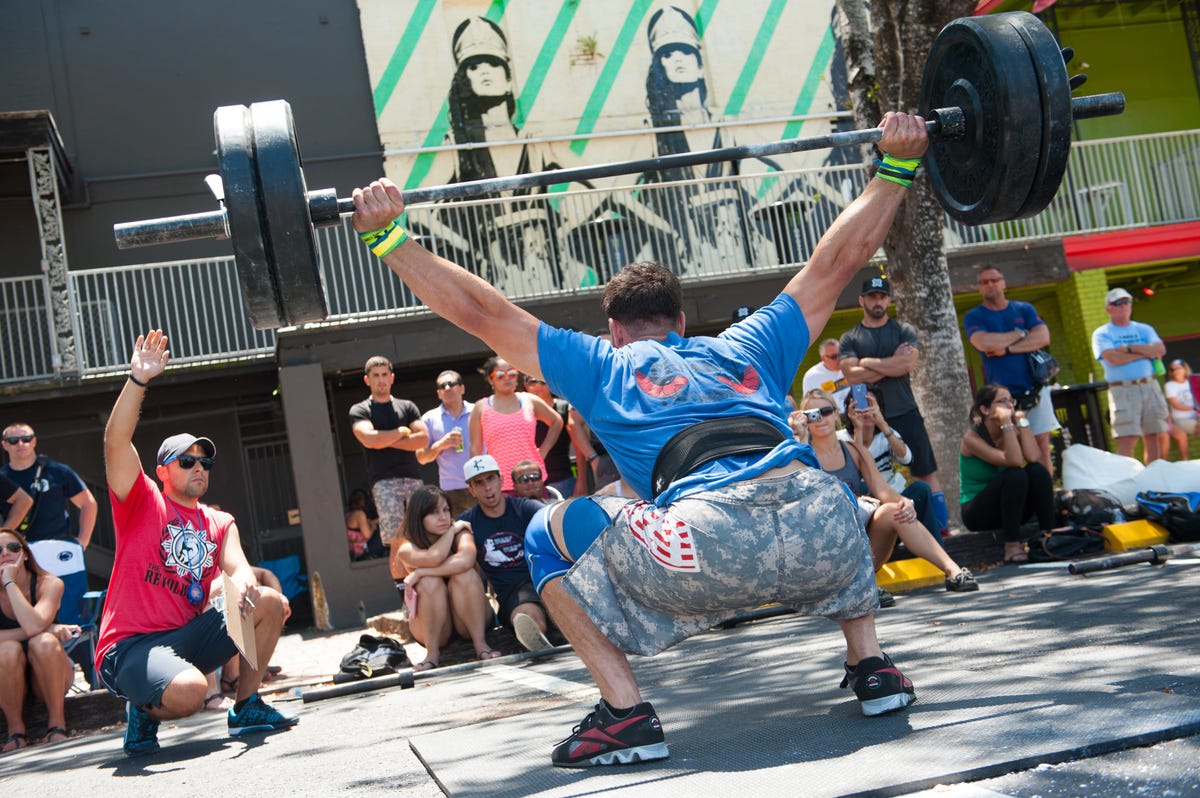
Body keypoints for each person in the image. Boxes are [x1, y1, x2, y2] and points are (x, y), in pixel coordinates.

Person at [350, 110, 928, 768]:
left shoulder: (602, 364)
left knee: (546, 525)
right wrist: (896, 166)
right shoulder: (752, 343)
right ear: (681, 321)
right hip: (827, 536)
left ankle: (626, 714)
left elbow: (482, 313)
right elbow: (839, 262)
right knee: (822, 494)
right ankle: (873, 664)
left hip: (706, 551)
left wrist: (389, 238)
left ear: (615, 330)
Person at [98, 330, 297, 757]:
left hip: (187, 637)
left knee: (267, 601)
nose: (199, 468)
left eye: (204, 462)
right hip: (131, 646)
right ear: (163, 471)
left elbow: (238, 564)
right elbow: (115, 442)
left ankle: (247, 706)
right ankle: (143, 712)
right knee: (189, 694)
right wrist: (138, 380)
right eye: (186, 461)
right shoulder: (141, 501)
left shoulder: (219, 520)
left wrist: (243, 584)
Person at [800, 390, 975, 591]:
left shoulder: (854, 450)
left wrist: (904, 502)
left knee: (895, 509)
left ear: (836, 414)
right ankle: (859, 585)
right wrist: (799, 436)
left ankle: (954, 572)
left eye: (826, 410)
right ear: (804, 419)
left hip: (863, 542)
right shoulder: (802, 454)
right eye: (812, 413)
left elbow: (882, 490)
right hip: (826, 545)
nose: (820, 418)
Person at [839, 276, 949, 535]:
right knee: (863, 474)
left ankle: (942, 529)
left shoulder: (903, 331)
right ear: (862, 300)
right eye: (872, 296)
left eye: (882, 296)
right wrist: (890, 364)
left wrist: (866, 362)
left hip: (906, 410)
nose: (878, 301)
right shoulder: (850, 338)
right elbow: (852, 377)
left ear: (889, 299)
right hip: (867, 417)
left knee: (925, 470)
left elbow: (907, 365)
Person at [1, 423, 99, 679]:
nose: (20, 444)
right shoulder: (3, 476)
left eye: (26, 439)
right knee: (21, 603)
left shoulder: (56, 470)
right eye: (13, 441)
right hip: (18, 551)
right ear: (4, 445)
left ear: (34, 441)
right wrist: (8, 540)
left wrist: (82, 540)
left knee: (69, 608)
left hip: (59, 551)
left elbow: (88, 503)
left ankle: (93, 675)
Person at [962, 266, 1060, 475]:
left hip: (1035, 387)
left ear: (1004, 283)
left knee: (1041, 442)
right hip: (1002, 396)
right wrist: (1021, 333)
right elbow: (984, 343)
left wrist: (1007, 348)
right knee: (1009, 444)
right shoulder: (975, 316)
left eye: (994, 280)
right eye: (985, 282)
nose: (990, 285)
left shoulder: (1023, 309)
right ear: (979, 288)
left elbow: (1043, 337)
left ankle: (1047, 497)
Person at [394, 485, 501, 671]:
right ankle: (432, 654)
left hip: (468, 619)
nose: (443, 517)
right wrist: (451, 531)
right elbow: (433, 558)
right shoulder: (406, 547)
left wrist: (420, 572)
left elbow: (466, 561)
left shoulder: (462, 532)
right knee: (429, 583)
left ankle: (481, 644)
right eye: (434, 512)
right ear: (419, 517)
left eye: (446, 510)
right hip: (434, 628)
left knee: (464, 575)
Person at [349, 355, 429, 591]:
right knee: (397, 539)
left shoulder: (407, 406)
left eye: (385, 375)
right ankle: (405, 597)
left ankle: (425, 588)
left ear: (392, 377)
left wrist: (385, 439)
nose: (381, 380)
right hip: (383, 481)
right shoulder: (360, 409)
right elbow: (368, 438)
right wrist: (402, 432)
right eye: (376, 375)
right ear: (367, 380)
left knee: (421, 533)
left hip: (413, 477)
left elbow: (423, 439)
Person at [458, 455, 552, 653]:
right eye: (479, 483)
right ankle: (537, 641)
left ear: (501, 480)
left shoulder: (526, 508)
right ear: (471, 490)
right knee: (527, 615)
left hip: (546, 578)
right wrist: (451, 530)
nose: (487, 487)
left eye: (490, 479)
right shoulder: (467, 522)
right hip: (513, 593)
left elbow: (554, 519)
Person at [959, 384, 1061, 563]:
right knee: (1015, 474)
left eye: (1011, 401)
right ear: (985, 409)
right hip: (979, 512)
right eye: (1002, 401)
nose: (1010, 406)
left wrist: (1023, 423)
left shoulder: (1012, 428)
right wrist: (1007, 424)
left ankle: (1049, 535)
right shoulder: (971, 438)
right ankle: (1012, 545)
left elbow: (1033, 457)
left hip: (1012, 507)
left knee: (1036, 471)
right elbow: (1013, 461)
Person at [0, 528, 79, 751]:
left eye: (13, 547)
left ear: (25, 554)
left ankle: (57, 725)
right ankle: (15, 731)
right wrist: (50, 627)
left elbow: (34, 625)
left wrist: (9, 583)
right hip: (8, 680)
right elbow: (35, 627)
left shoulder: (49, 583)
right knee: (6, 649)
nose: (5, 553)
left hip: (49, 676)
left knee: (43, 641)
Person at [838, 386, 942, 546]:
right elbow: (857, 472)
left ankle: (937, 552)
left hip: (895, 496)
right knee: (866, 485)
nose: (865, 410)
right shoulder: (841, 439)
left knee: (921, 489)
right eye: (860, 404)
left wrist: (881, 422)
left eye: (870, 404)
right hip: (868, 505)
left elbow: (907, 459)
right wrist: (858, 428)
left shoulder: (887, 434)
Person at [1091, 288, 1170, 463]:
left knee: (1154, 434)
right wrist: (1145, 352)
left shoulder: (1144, 328)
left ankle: (1154, 479)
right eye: (1117, 303)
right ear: (1108, 308)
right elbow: (1112, 358)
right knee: (1127, 437)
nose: (1123, 306)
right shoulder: (1102, 333)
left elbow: (1160, 350)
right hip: (1123, 388)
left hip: (1149, 385)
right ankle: (1126, 479)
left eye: (1126, 302)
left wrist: (1129, 349)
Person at [468, 355, 562, 494]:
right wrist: (483, 480)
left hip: (533, 479)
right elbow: (475, 450)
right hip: (500, 484)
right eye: (500, 374)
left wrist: (543, 451)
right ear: (490, 379)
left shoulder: (529, 400)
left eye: (512, 373)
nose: (507, 378)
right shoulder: (481, 407)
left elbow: (556, 421)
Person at [416, 370, 476, 516]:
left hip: (480, 482)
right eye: (442, 386)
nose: (447, 388)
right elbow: (421, 458)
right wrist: (441, 444)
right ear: (438, 393)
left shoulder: (478, 411)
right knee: (458, 534)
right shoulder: (429, 419)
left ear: (462, 388)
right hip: (451, 489)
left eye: (451, 384)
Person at [522, 374, 577, 497]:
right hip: (529, 482)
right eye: (532, 382)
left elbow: (579, 448)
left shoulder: (564, 408)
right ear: (525, 386)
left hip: (561, 478)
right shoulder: (519, 412)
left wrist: (581, 480)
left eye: (543, 382)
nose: (538, 386)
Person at [1163, 359, 1196, 461]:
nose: (1175, 371)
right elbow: (1176, 405)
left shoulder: (1193, 382)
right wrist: (1195, 407)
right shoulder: (1169, 386)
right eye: (1172, 369)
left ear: (1185, 369)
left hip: (1196, 415)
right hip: (1180, 420)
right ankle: (1185, 461)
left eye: (1177, 368)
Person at [803, 339, 850, 408]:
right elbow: (807, 405)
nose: (839, 359)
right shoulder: (812, 376)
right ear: (823, 358)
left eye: (841, 354)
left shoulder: (850, 366)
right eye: (833, 357)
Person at [345, 488, 381, 560]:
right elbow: (367, 535)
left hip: (352, 549)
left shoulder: (348, 514)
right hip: (360, 549)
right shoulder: (360, 514)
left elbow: (365, 523)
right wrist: (373, 528)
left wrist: (376, 521)